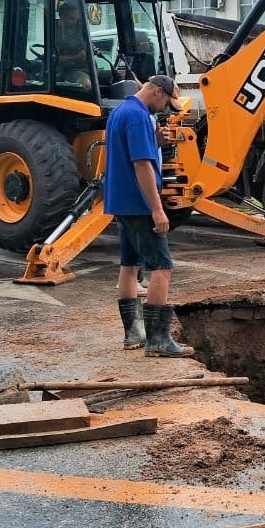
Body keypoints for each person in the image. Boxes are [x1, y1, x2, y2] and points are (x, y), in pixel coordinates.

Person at [103, 75, 193, 358]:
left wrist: (153, 139)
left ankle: (134, 335)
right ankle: (158, 341)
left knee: (129, 265)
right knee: (161, 268)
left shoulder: (121, 111)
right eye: (167, 101)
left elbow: (130, 152)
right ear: (156, 91)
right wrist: (157, 209)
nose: (167, 108)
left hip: (121, 201)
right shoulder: (139, 116)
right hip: (140, 204)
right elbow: (141, 165)